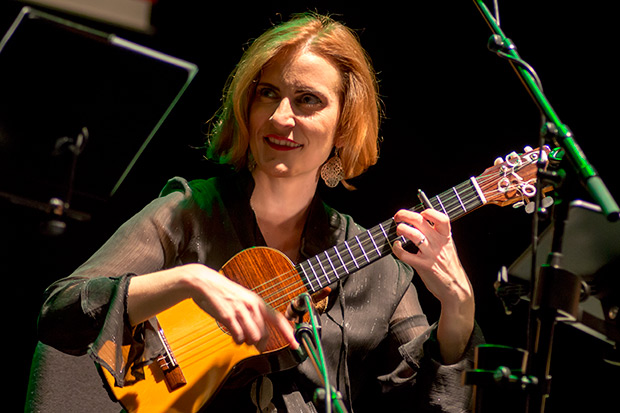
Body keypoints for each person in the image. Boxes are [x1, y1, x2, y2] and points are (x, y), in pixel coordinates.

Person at [36, 12, 482, 412]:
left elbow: (420, 401)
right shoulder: (189, 212)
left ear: (345, 123)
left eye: (308, 100)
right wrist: (188, 280)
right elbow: (62, 311)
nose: (280, 117)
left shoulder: (377, 269)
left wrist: (458, 306)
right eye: (268, 94)